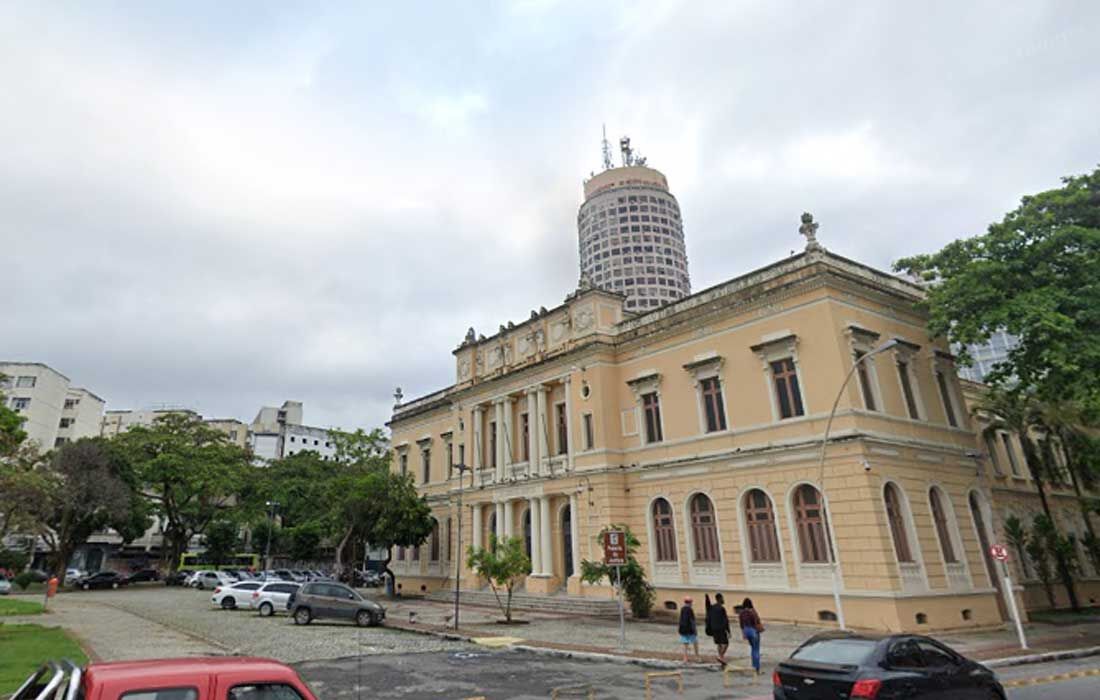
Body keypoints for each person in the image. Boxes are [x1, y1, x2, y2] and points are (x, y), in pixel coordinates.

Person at [738, 597, 764, 673]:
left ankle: (753, 666)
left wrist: (743, 634)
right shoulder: (753, 612)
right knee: (756, 650)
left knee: (752, 649)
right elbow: (756, 621)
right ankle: (757, 669)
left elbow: (741, 625)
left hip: (747, 631)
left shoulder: (742, 613)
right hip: (754, 631)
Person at [705, 593, 731, 666]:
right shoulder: (722, 608)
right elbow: (726, 620)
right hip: (721, 628)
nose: (723, 600)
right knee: (726, 643)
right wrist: (728, 631)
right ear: (719, 599)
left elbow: (708, 612)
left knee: (719, 643)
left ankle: (721, 658)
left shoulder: (712, 607)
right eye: (722, 598)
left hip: (714, 628)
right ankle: (720, 656)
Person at [678, 596, 699, 662]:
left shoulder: (682, 609)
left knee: (685, 644)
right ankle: (696, 657)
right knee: (695, 642)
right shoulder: (690, 610)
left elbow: (681, 619)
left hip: (683, 629)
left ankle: (685, 658)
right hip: (690, 629)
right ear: (690, 602)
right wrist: (695, 630)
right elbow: (692, 620)